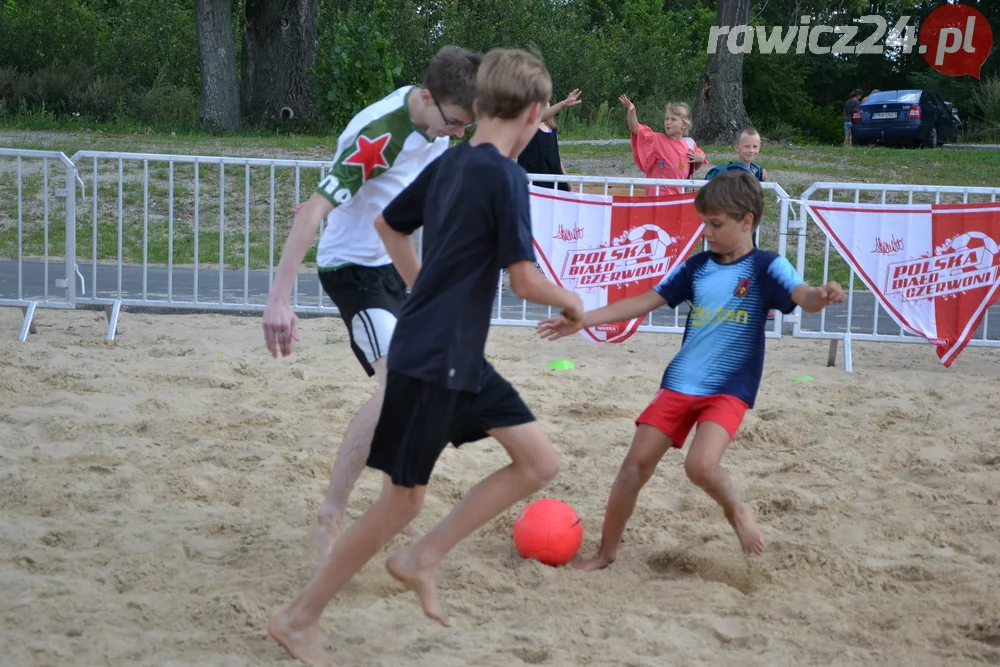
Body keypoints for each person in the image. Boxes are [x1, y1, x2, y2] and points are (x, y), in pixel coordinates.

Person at [266, 48, 584, 667]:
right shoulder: (491, 171)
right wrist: (569, 300)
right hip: (424, 344)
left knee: (539, 461)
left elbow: (390, 225)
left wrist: (422, 288)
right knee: (401, 499)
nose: (457, 131)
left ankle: (421, 556)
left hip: (450, 346)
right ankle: (300, 614)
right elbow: (522, 281)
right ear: (536, 113)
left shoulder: (452, 159)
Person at [537, 169, 845, 569]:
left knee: (700, 466)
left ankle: (736, 510)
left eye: (716, 225)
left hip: (728, 389)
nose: (708, 233)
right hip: (681, 381)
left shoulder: (768, 266)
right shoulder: (697, 267)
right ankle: (605, 553)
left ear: (747, 220)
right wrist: (584, 318)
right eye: (705, 224)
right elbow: (645, 300)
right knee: (634, 467)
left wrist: (822, 296)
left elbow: (803, 296)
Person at [261, 45, 482, 557]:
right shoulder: (380, 136)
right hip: (352, 270)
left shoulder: (440, 117)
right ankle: (332, 512)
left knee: (427, 385)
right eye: (452, 123)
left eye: (463, 127)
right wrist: (279, 300)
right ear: (427, 98)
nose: (455, 134)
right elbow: (310, 215)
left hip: (390, 261)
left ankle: (394, 506)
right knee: (396, 387)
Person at [619, 94, 708, 196]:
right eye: (667, 119)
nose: (668, 122)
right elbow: (635, 128)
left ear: (684, 125)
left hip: (678, 198)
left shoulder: (690, 143)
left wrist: (700, 159)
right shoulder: (657, 140)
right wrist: (631, 110)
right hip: (658, 198)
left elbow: (694, 166)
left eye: (673, 119)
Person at [704, 127, 768, 249]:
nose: (751, 150)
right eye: (746, 146)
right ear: (737, 147)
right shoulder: (732, 172)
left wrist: (760, 178)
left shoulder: (755, 171)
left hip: (748, 220)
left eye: (755, 147)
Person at [516, 88, 582, 191]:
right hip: (533, 183)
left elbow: (556, 158)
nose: (545, 104)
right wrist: (562, 104)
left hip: (554, 181)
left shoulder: (552, 129)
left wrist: (569, 182)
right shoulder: (527, 125)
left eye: (546, 101)